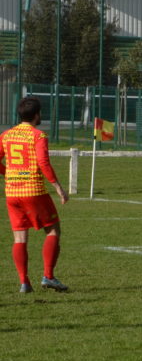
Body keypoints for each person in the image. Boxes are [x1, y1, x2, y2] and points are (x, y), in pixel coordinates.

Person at [1, 97, 69, 293]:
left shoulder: (6, 135)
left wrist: (8, 173)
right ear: (37, 115)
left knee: (20, 237)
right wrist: (58, 187)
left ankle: (24, 282)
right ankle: (48, 276)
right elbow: (43, 163)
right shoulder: (38, 136)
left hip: (12, 193)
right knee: (53, 230)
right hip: (33, 191)